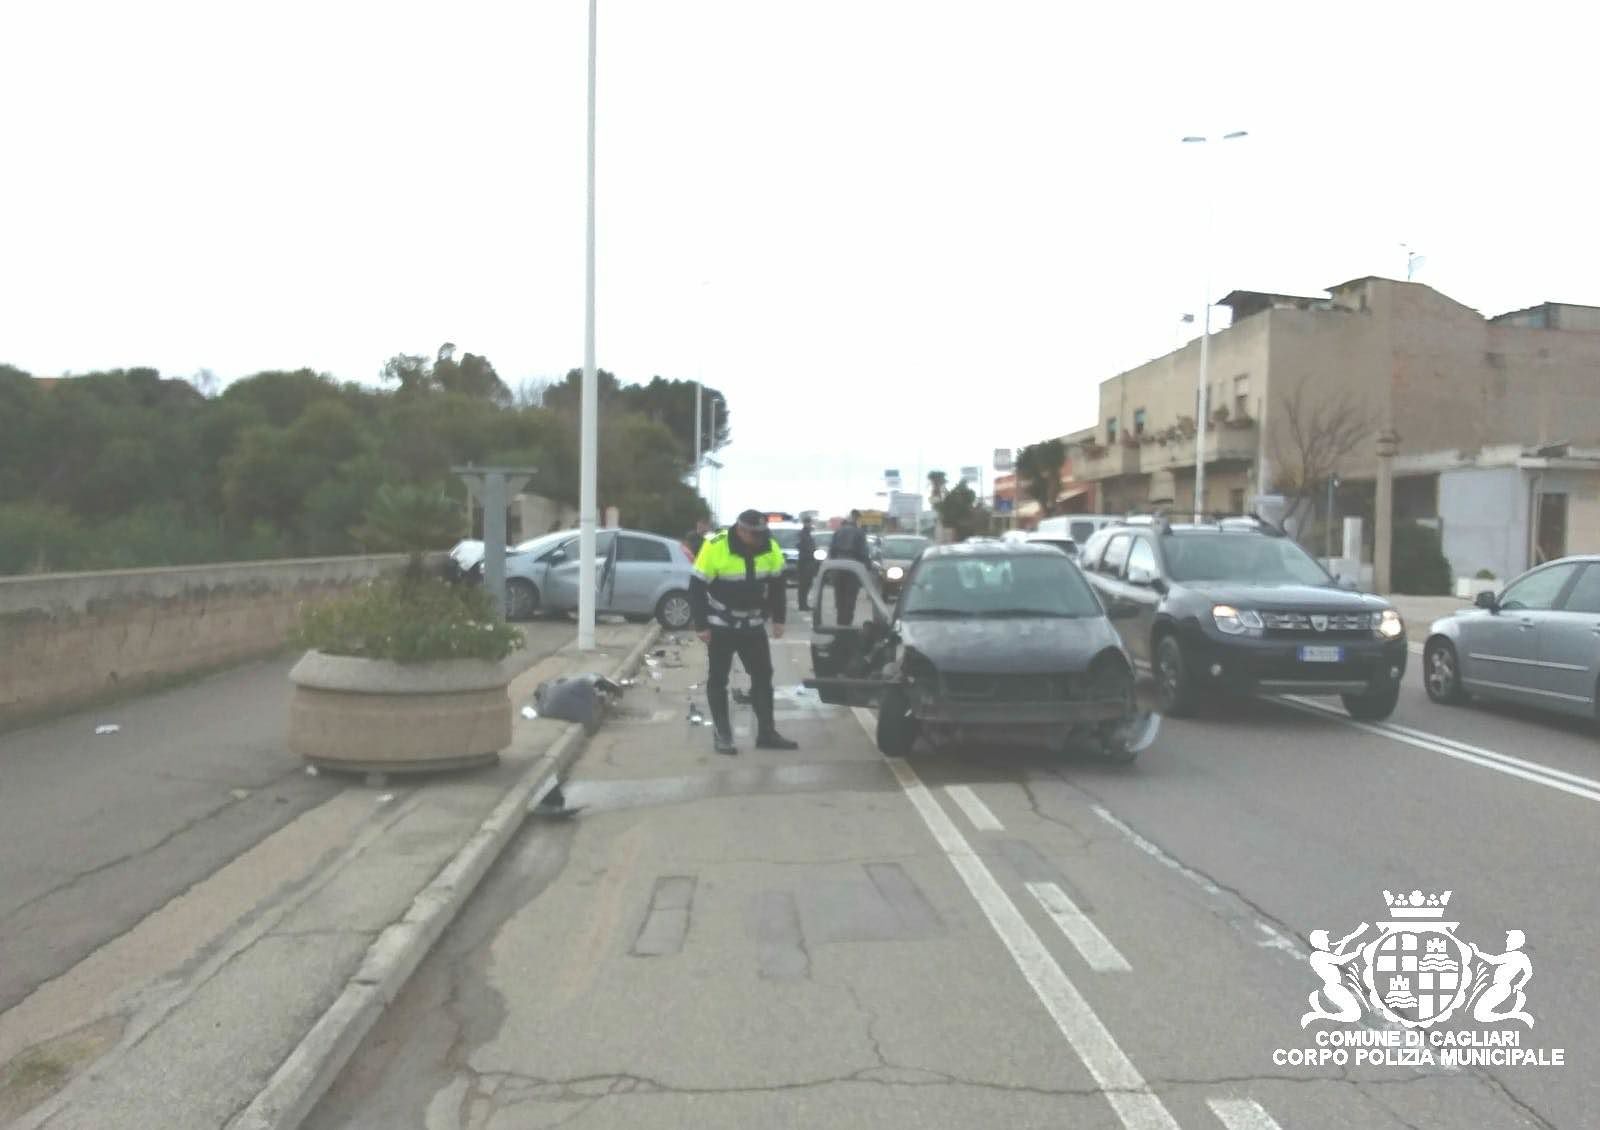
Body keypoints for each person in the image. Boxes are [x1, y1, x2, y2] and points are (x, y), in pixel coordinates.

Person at [691, 510, 799, 755]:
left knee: (763, 676)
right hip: (721, 624)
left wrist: (779, 619)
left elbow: (777, 586)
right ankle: (723, 735)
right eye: (753, 534)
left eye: (761, 533)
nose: (758, 539)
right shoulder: (715, 546)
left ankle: (767, 733)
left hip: (752, 624)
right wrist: (701, 625)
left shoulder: (769, 546)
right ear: (740, 530)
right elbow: (696, 587)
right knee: (718, 678)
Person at [828, 509, 872, 626]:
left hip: (838, 567)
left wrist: (832, 568)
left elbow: (831, 551)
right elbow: (864, 552)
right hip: (853, 568)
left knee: (840, 597)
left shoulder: (838, 531)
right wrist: (867, 567)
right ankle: (847, 624)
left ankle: (840, 622)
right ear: (857, 519)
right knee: (850, 598)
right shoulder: (859, 533)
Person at [796, 517, 817, 612]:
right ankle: (802, 605)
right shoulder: (802, 534)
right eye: (808, 523)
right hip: (804, 562)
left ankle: (804, 604)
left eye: (810, 523)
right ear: (805, 523)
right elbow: (800, 546)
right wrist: (810, 551)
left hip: (809, 562)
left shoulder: (808, 534)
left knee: (807, 584)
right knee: (804, 585)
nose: (810, 524)